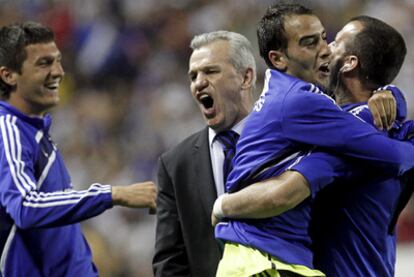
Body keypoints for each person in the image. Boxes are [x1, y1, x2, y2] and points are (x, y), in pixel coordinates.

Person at [212, 3, 414, 277]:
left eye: (332, 40)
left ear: (350, 63)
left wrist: (224, 204)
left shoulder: (347, 134)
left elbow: (286, 191)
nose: (326, 49)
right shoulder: (325, 122)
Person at [0, 21, 157, 277]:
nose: (59, 72)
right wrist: (113, 194)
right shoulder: (8, 129)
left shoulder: (37, 134)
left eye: (58, 61)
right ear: (9, 75)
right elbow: (26, 207)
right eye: (44, 64)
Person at [152, 31, 256, 277]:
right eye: (193, 76)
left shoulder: (284, 141)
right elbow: (169, 262)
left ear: (245, 77)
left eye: (210, 71)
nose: (199, 82)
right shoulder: (176, 165)